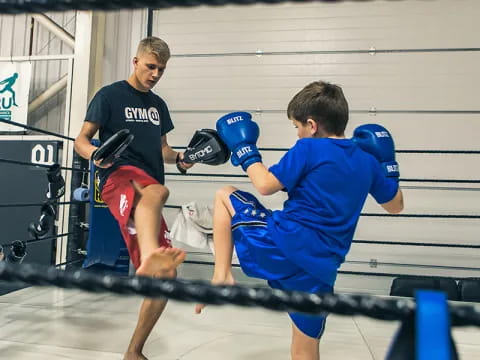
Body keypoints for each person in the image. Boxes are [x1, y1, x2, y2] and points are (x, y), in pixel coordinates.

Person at [195, 80, 404, 360]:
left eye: (297, 127)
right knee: (305, 345)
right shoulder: (367, 162)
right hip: (321, 270)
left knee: (224, 195)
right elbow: (395, 206)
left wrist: (245, 149)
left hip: (281, 246)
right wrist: (388, 166)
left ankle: (221, 274)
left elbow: (266, 185)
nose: (297, 134)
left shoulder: (307, 149)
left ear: (312, 124)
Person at [74, 36, 191, 360]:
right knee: (159, 191)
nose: (155, 74)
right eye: (150, 66)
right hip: (118, 177)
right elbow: (80, 140)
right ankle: (152, 253)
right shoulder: (109, 95)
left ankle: (134, 351)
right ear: (135, 61)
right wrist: (95, 154)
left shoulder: (158, 106)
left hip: (147, 194)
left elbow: (163, 150)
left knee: (165, 276)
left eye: (161, 69)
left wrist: (181, 157)